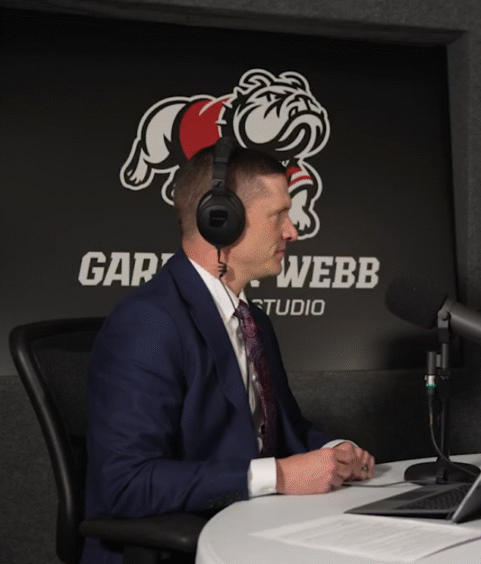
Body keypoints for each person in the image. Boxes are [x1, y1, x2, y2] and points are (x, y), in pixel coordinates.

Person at [84, 142, 374, 564]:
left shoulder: (253, 320)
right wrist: (279, 476)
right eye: (278, 215)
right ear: (220, 220)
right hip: (179, 548)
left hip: (250, 528)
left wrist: (336, 450)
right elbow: (127, 484)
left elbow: (285, 429)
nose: (292, 231)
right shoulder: (148, 323)